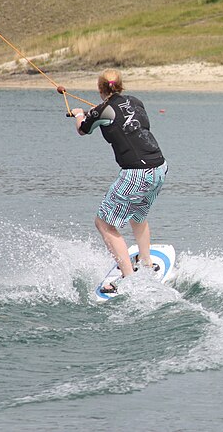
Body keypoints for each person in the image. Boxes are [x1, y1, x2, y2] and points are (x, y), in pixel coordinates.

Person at [70, 69, 168, 294]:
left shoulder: (103, 109)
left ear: (100, 88)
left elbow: (83, 130)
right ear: (121, 85)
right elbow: (128, 121)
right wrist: (96, 112)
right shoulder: (136, 101)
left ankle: (129, 277)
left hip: (137, 173)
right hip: (159, 167)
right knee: (137, 215)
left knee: (104, 223)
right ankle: (146, 263)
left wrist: (78, 114)